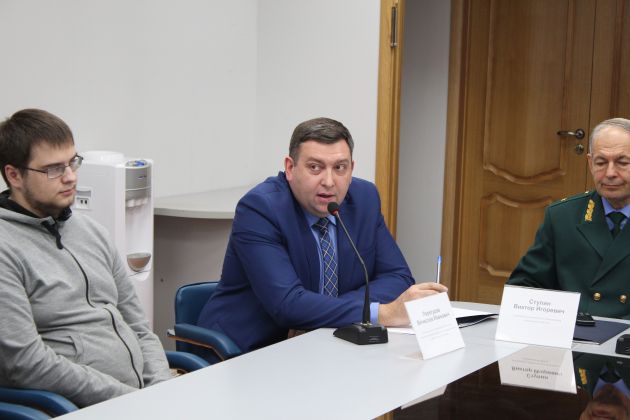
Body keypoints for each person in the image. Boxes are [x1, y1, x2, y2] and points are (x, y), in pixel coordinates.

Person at [197, 117, 447, 353]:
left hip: (324, 347)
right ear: (290, 168)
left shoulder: (364, 199)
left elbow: (398, 277)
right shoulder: (261, 209)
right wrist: (382, 313)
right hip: (246, 352)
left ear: (351, 169)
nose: (329, 181)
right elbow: (287, 304)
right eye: (315, 167)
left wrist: (318, 312)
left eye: (340, 168)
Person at [0, 109, 171, 407]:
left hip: (139, 400)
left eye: (73, 162)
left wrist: (162, 389)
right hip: (79, 407)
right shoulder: (6, 249)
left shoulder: (91, 231)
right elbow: (26, 363)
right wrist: (132, 401)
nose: (70, 177)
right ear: (14, 175)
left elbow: (140, 328)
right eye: (54, 169)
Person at [507, 118, 630, 318]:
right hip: (575, 332)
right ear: (590, 163)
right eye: (600, 163)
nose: (610, 173)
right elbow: (524, 286)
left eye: (622, 163)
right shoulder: (562, 217)